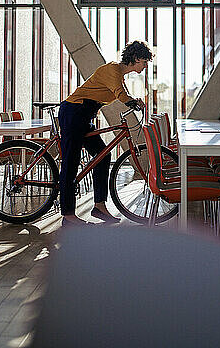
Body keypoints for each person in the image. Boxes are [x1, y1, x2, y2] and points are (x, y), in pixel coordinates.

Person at [58, 40, 153, 227]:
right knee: (71, 161)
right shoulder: (113, 70)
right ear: (136, 58)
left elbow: (122, 93)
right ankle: (68, 215)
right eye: (144, 62)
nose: (146, 66)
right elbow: (120, 94)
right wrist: (131, 102)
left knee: (102, 155)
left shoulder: (119, 75)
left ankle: (99, 206)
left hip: (84, 116)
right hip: (73, 112)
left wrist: (133, 101)